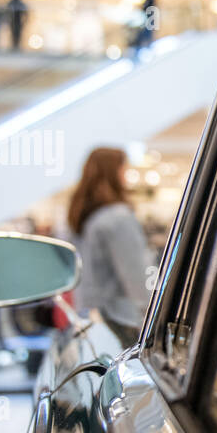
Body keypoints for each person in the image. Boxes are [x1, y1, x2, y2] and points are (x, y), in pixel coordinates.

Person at [67, 147, 151, 345]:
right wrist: (153, 319)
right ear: (115, 172)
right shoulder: (117, 218)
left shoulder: (84, 219)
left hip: (93, 318)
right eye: (124, 169)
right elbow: (137, 277)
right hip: (123, 320)